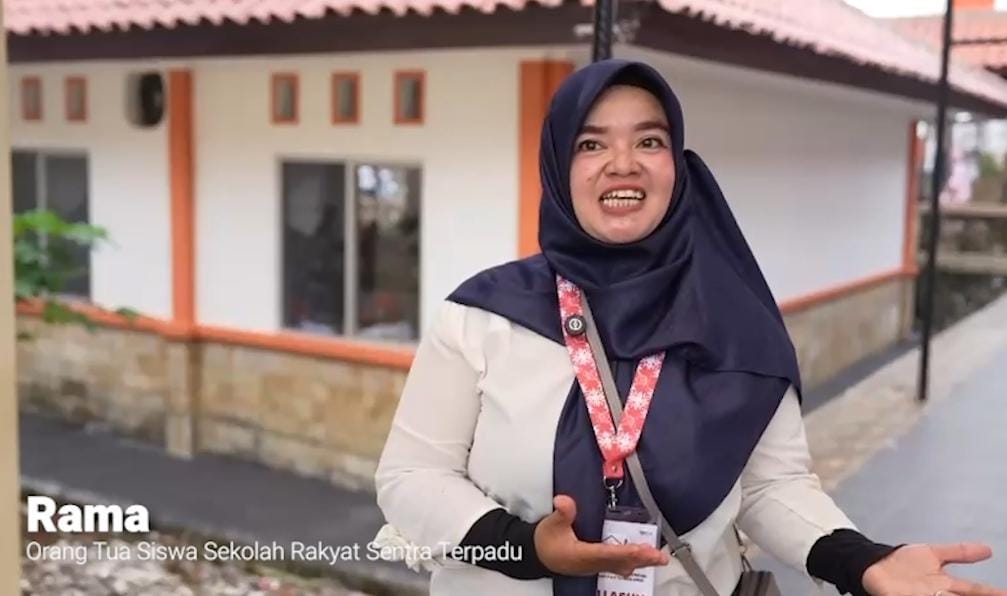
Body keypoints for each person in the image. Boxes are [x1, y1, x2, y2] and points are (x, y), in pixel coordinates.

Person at [372, 59, 1006, 596]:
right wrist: (527, 546)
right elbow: (411, 477)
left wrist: (861, 560)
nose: (622, 163)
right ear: (558, 168)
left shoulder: (734, 321)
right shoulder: (483, 316)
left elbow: (771, 485)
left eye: (649, 141)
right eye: (591, 144)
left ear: (678, 164)